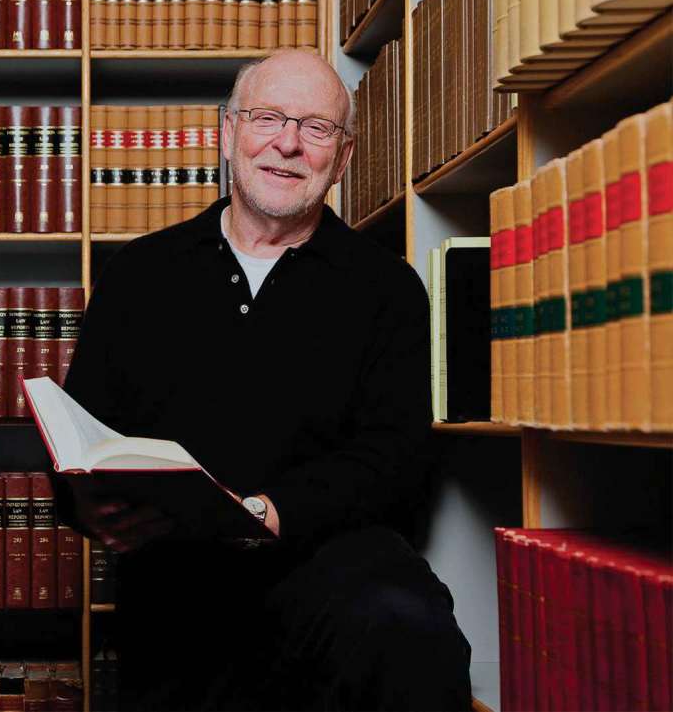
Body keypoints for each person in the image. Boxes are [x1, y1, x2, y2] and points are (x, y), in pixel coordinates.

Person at [58, 50, 472, 711]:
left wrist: (270, 513)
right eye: (268, 117)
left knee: (410, 626)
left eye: (316, 128)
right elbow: (81, 434)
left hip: (333, 588)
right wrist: (83, 504)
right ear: (229, 133)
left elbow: (394, 458)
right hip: (177, 593)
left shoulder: (388, 288)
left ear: (343, 158)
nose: (287, 143)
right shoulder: (138, 274)